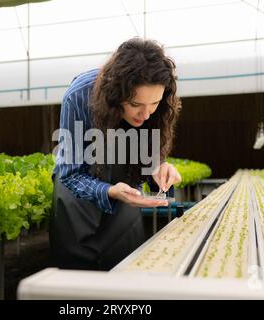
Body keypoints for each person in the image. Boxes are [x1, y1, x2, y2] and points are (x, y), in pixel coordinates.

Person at [49, 37, 182, 271]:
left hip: (124, 183)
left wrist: (158, 170)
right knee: (76, 268)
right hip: (79, 182)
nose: (146, 114)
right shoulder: (79, 96)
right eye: (135, 103)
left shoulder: (153, 111)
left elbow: (147, 162)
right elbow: (71, 174)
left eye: (154, 103)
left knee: (123, 261)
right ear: (117, 93)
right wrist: (108, 190)